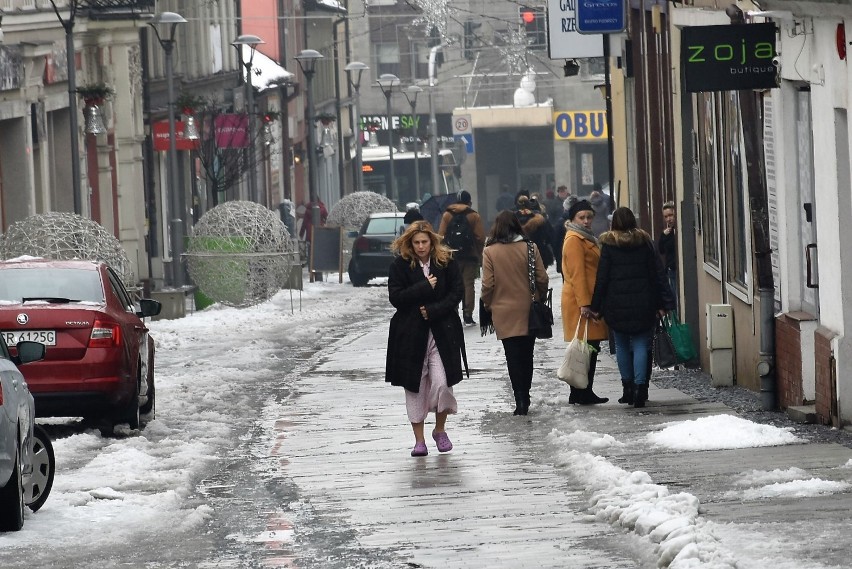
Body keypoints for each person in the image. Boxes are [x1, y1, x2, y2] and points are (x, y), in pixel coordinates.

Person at [385, 221, 469, 457]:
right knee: (415, 387)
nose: (421, 246)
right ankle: (419, 441)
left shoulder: (446, 263)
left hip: (442, 333)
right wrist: (423, 287)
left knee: (442, 383)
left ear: (432, 241)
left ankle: (439, 430)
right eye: (416, 242)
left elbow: (457, 293)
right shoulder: (400, 266)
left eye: (425, 242)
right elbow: (396, 297)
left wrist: (434, 310)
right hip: (410, 336)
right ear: (409, 244)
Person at [590, 207, 672, 408]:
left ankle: (627, 388)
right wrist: (663, 303)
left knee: (622, 346)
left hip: (616, 305)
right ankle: (640, 389)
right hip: (644, 303)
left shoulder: (609, 246)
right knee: (641, 345)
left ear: (614, 223)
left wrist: (596, 306)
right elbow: (657, 274)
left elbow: (602, 278)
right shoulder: (645, 243)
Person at [481, 210, 549, 415]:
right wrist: (540, 296)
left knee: (512, 356)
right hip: (528, 308)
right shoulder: (530, 247)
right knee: (527, 355)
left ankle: (519, 398)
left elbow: (487, 284)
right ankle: (526, 395)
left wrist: (487, 303)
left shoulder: (490, 251)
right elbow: (542, 278)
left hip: (503, 311)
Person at [560, 200, 609, 405]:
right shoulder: (575, 239)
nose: (587, 220)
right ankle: (582, 391)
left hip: (585, 299)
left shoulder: (584, 237)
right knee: (585, 348)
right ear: (573, 219)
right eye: (582, 217)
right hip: (580, 301)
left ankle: (581, 391)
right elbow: (578, 274)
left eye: (589, 216)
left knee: (588, 347)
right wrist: (585, 304)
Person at [438, 190, 486, 326]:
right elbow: (480, 237)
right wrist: (478, 252)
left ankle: (454, 311)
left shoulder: (447, 214)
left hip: (451, 256)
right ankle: (468, 314)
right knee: (468, 284)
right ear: (469, 202)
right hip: (470, 256)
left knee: (452, 284)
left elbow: (440, 236)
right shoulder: (474, 216)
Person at [515, 195, 555, 268]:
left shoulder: (512, 220)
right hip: (539, 253)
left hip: (518, 254)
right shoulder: (540, 219)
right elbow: (550, 236)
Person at [658, 201, 678, 314]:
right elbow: (661, 249)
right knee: (673, 296)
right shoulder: (667, 232)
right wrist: (663, 235)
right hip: (671, 269)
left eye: (670, 215)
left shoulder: (677, 230)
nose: (668, 219)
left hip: (676, 267)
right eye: (666, 216)